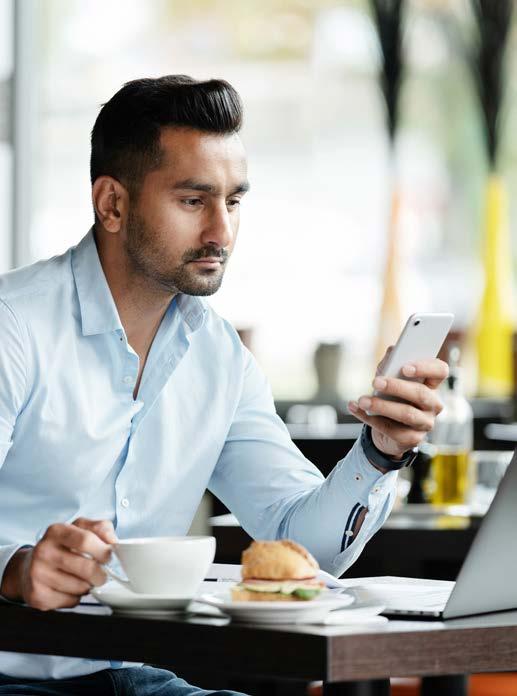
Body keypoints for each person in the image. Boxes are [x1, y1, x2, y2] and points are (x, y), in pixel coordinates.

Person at [0, 75, 448, 695]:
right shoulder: (13, 325)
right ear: (112, 204)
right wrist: (15, 569)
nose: (222, 232)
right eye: (193, 201)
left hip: (131, 674)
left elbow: (300, 548)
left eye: (234, 201)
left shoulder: (218, 355)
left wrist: (379, 452)